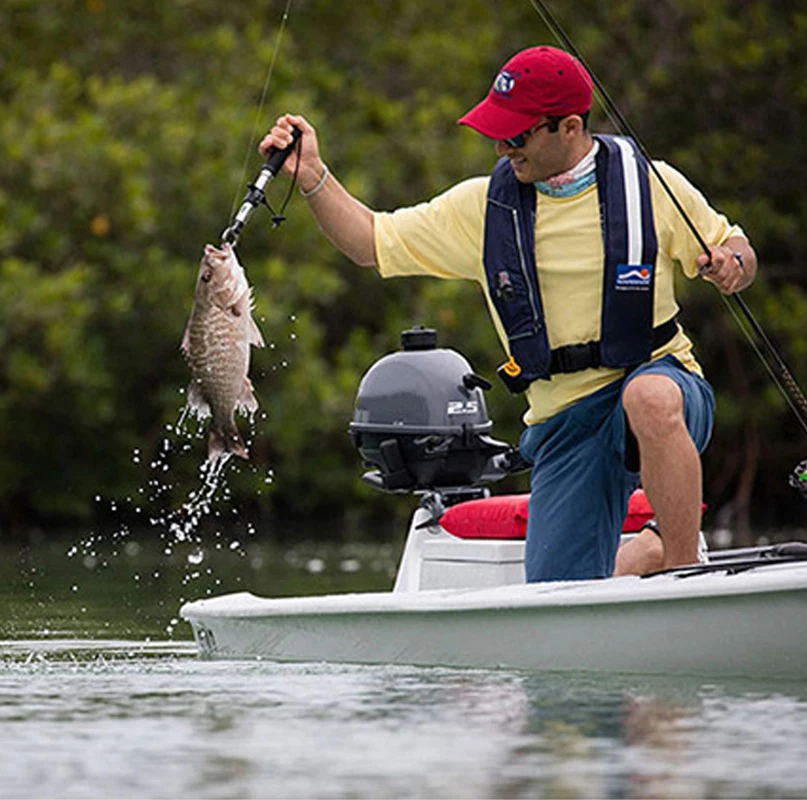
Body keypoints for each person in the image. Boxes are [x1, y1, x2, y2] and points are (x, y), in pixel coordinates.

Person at [259, 45, 756, 582]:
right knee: (560, 599)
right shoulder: (480, 208)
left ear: (568, 127)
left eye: (517, 135)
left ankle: (683, 575)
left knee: (649, 397)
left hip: (664, 383)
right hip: (566, 423)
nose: (502, 146)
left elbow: (737, 248)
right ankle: (646, 557)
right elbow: (368, 242)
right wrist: (311, 175)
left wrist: (732, 263)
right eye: (497, 131)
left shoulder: (654, 186)